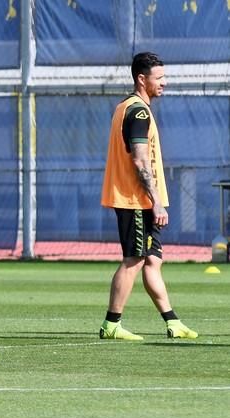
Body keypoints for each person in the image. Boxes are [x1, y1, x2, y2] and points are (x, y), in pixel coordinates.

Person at [100, 52, 197, 341]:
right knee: (134, 259)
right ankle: (111, 323)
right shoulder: (138, 111)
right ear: (141, 79)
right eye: (159, 78)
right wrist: (155, 202)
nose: (164, 83)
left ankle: (172, 322)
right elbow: (141, 161)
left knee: (152, 260)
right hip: (136, 199)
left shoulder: (128, 107)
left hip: (140, 199)